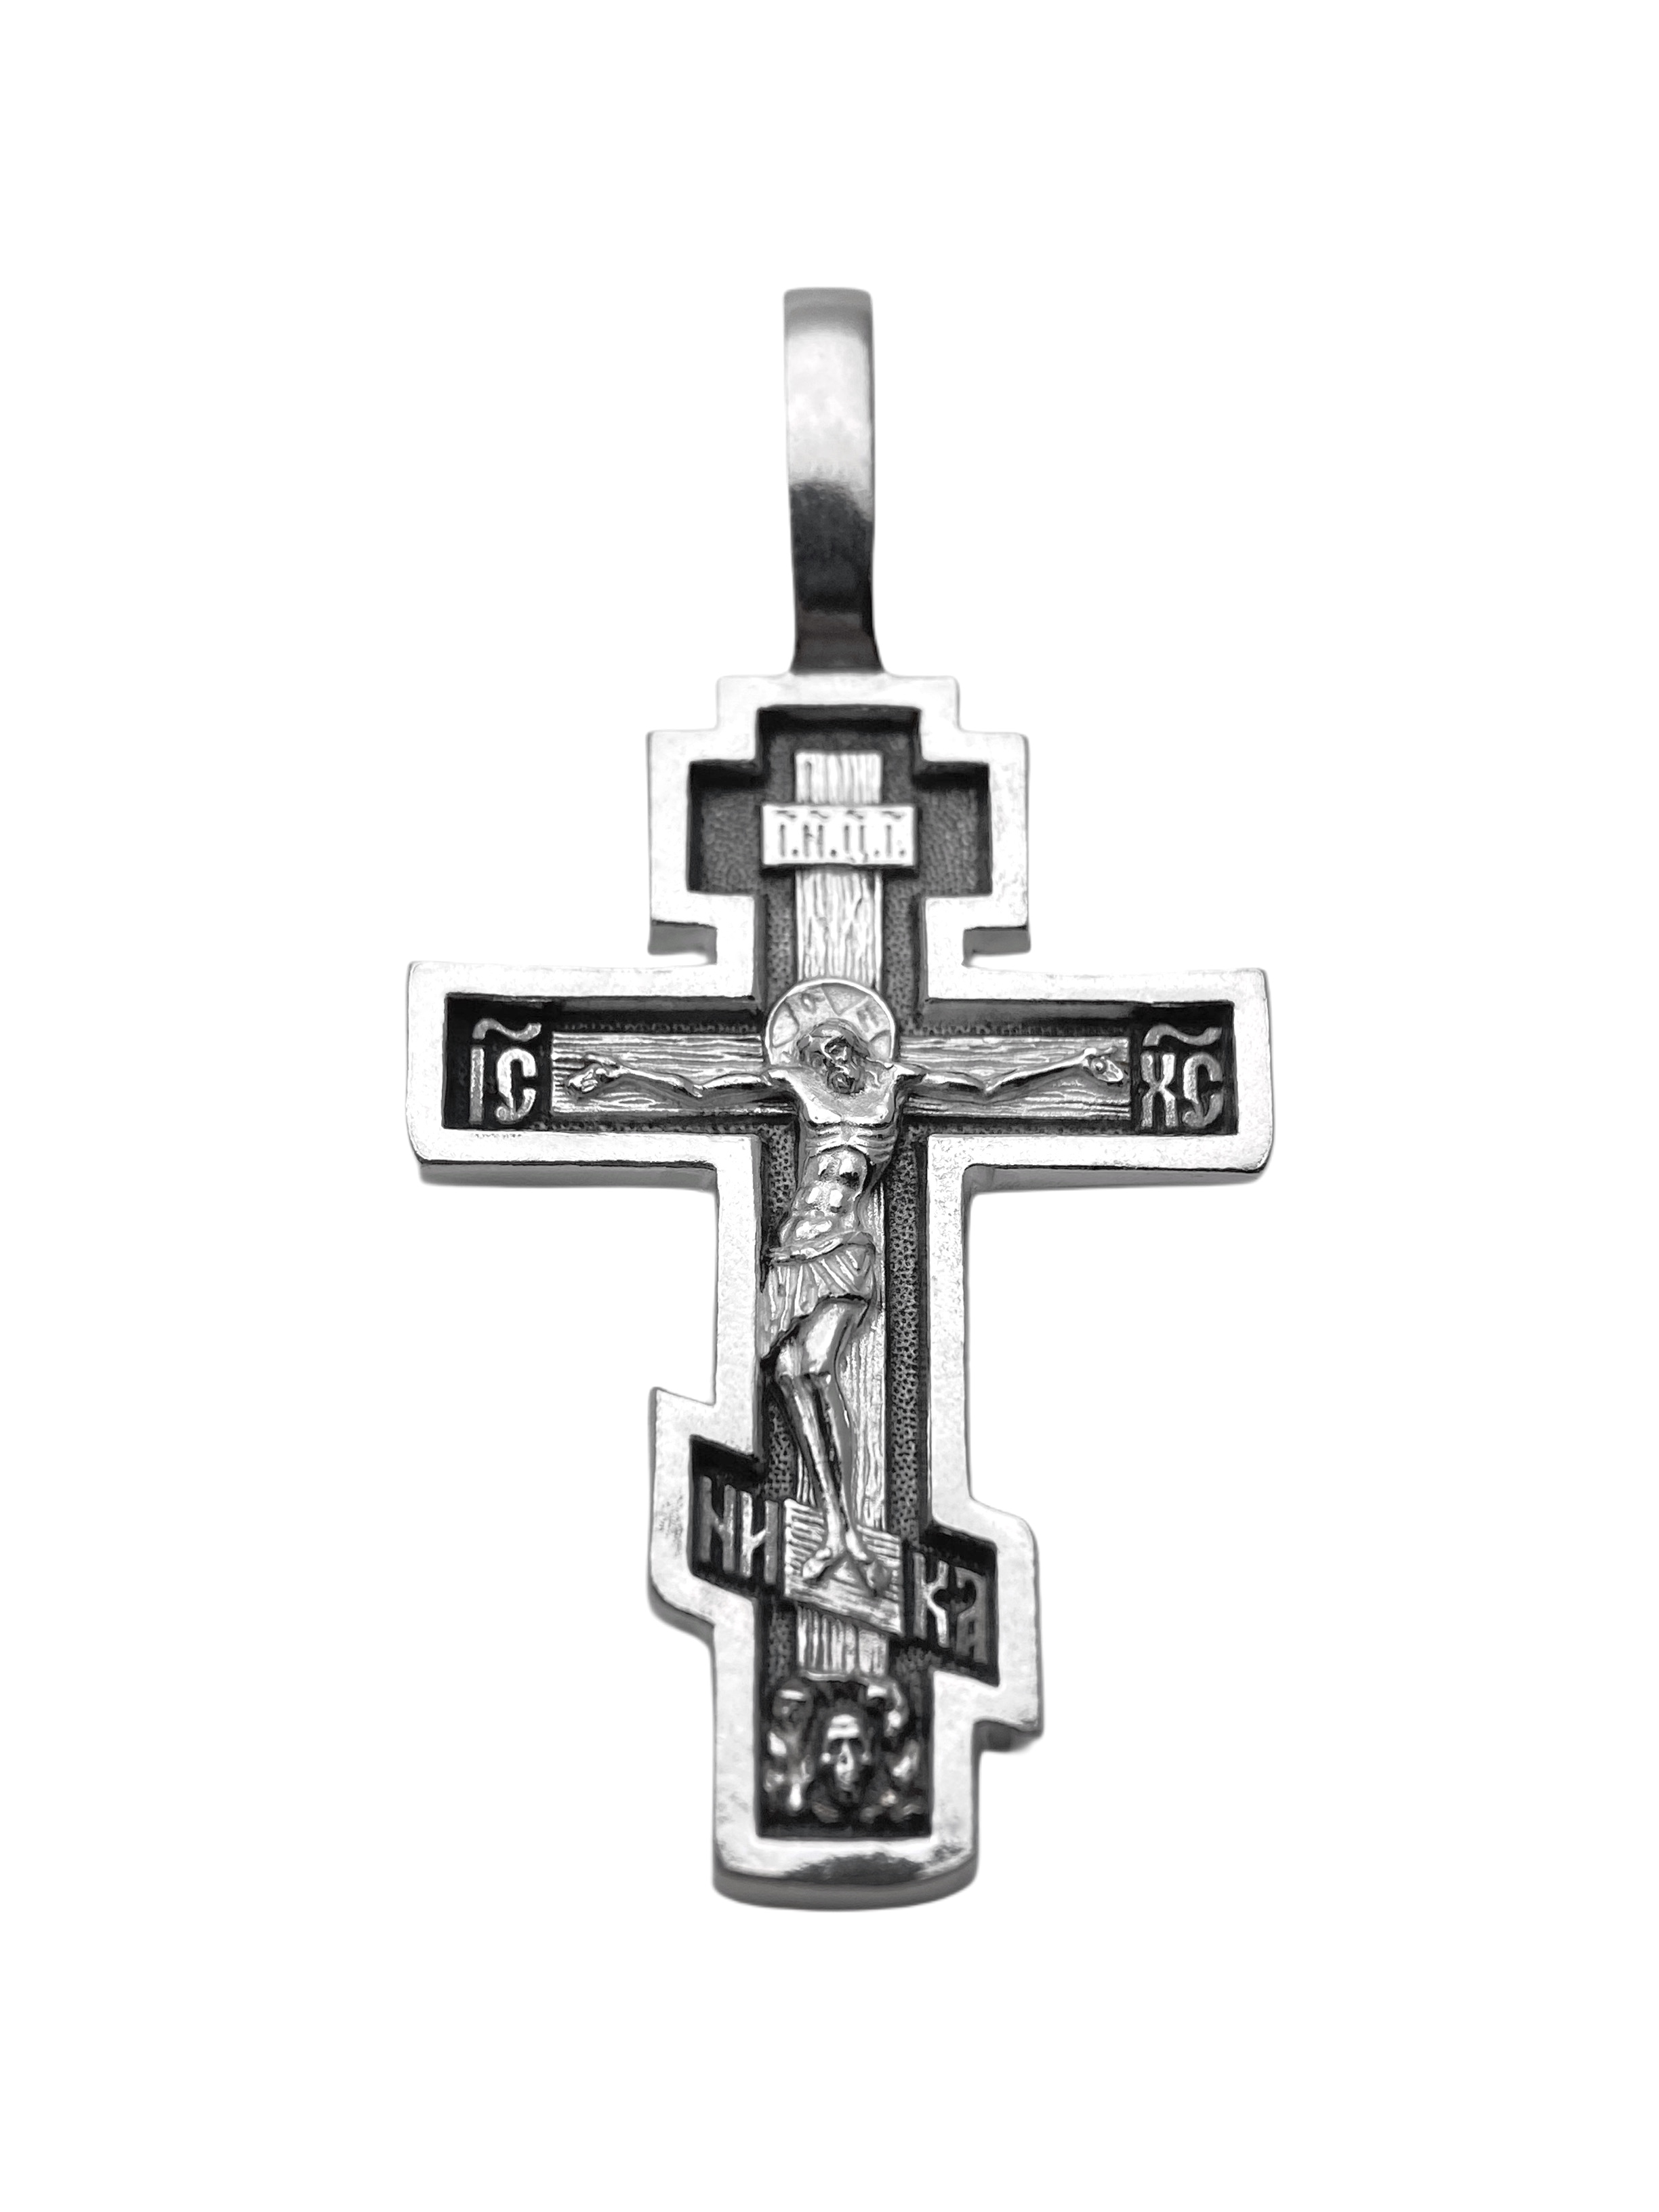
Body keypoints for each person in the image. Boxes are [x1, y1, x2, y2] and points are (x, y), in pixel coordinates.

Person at [562, 984, 1119, 1592]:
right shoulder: (800, 1087)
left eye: (836, 1049)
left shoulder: (895, 1084)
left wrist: (1074, 1066)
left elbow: (985, 1088)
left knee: (819, 1367)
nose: (831, 1062)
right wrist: (622, 1072)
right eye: (818, 1055)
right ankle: (836, 1523)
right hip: (792, 1255)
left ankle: (847, 1523)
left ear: (856, 1045)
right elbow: (704, 1089)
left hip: (845, 1252)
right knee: (788, 1375)